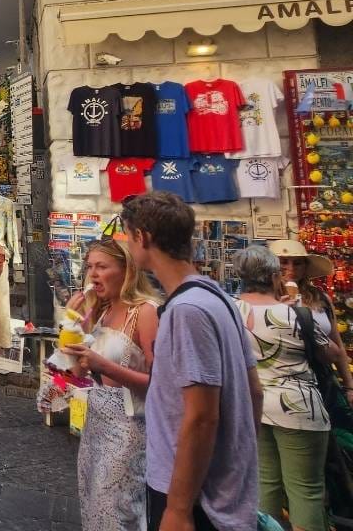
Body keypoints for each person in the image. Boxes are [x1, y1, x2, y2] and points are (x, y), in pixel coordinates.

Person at [122, 191, 262, 531]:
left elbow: (201, 416)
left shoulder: (186, 311)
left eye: (128, 236)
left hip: (194, 494)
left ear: (143, 237)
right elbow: (254, 391)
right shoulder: (218, 297)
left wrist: (178, 508)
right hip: (221, 486)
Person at [63, 239, 160, 531]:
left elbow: (162, 384)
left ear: (126, 270)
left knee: (118, 513)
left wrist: (105, 366)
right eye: (89, 266)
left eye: (102, 267)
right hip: (96, 427)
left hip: (129, 432)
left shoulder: (145, 312)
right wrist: (72, 326)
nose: (93, 274)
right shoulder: (102, 312)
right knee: (94, 504)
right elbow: (77, 370)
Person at [234, 245, 332, 531]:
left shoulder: (230, 310)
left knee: (266, 485)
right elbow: (329, 353)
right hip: (299, 408)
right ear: (274, 275)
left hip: (253, 407)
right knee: (306, 491)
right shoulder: (294, 314)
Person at [272, 238, 353, 399]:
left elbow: (337, 342)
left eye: (297, 263)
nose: (290, 268)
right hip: (282, 385)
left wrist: (349, 386)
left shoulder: (320, 298)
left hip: (322, 381)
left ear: (305, 268)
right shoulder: (266, 299)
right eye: (284, 262)